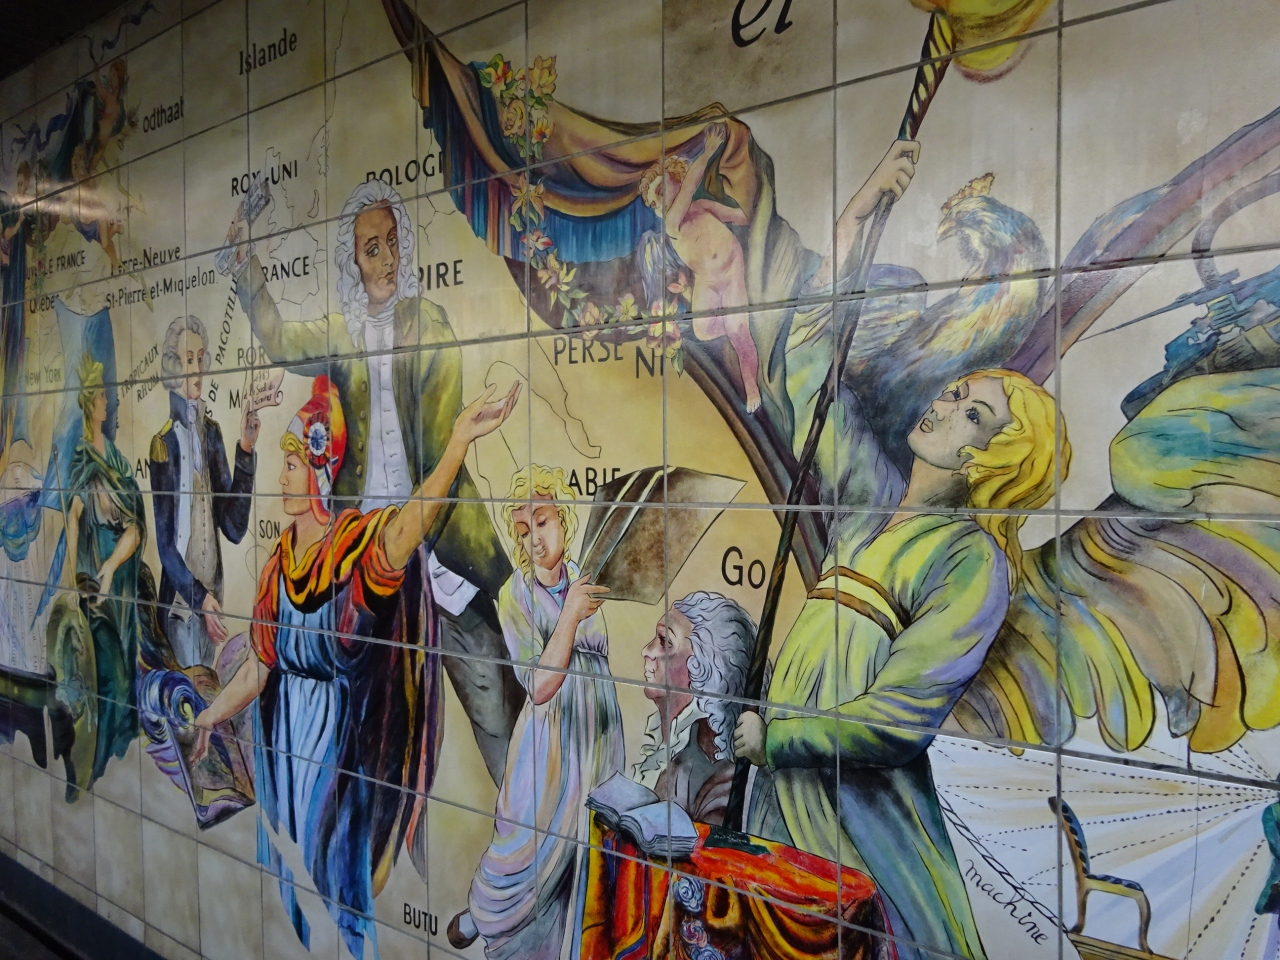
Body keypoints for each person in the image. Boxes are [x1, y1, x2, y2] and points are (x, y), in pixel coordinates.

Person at [733, 370, 1069, 960]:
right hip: (783, 792)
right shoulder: (871, 504)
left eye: (974, 415)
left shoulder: (969, 560)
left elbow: (897, 720)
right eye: (956, 393)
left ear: (990, 463)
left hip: (858, 821)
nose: (946, 405)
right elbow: (820, 395)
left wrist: (777, 739)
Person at [191, 375, 520, 958]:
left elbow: (407, 529)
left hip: (338, 761)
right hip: (282, 752)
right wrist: (208, 718)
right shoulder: (277, 567)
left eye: (293, 463)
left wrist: (457, 445)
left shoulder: (353, 551)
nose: (282, 475)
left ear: (319, 470)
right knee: (288, 893)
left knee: (337, 895)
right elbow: (259, 669)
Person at [229, 178, 523, 784]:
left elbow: (441, 443)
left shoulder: (431, 324)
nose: (387, 259)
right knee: (372, 733)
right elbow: (280, 340)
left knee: (497, 708)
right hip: (365, 551)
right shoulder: (340, 334)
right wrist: (243, 265)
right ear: (354, 262)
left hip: (439, 545)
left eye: (392, 242)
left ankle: (526, 817)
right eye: (372, 249)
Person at [450, 465, 622, 960]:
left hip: (594, 735)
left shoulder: (584, 579)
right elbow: (541, 685)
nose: (534, 540)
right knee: (524, 843)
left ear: (564, 520)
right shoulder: (515, 595)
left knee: (584, 850)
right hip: (549, 742)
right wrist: (570, 614)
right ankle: (486, 914)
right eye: (523, 531)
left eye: (542, 522)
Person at [59, 352, 147, 787]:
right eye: (101, 399)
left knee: (124, 668)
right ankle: (97, 764)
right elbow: (74, 518)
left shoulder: (116, 458)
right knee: (108, 674)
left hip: (120, 581)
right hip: (95, 583)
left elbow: (134, 522)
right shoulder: (83, 459)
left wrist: (113, 566)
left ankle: (116, 758)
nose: (107, 404)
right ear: (89, 404)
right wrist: (75, 576)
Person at [149, 316, 257, 667]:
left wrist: (245, 449)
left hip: (213, 602)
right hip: (181, 608)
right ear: (173, 368)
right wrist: (199, 599)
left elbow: (233, 527)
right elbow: (166, 548)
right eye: (188, 360)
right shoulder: (163, 444)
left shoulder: (212, 433)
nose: (197, 369)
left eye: (200, 358)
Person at [640, 122, 761, 412]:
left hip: (731, 270)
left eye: (662, 190)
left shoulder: (701, 206)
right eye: (655, 201)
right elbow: (690, 187)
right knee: (704, 330)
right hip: (706, 279)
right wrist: (707, 153)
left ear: (675, 179)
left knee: (739, 332)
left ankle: (752, 387)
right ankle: (734, 328)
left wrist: (746, 202)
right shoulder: (672, 225)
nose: (659, 202)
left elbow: (739, 216)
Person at [633, 591, 765, 825]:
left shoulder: (713, 771)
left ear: (705, 669)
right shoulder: (676, 750)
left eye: (664, 642)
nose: (646, 651)